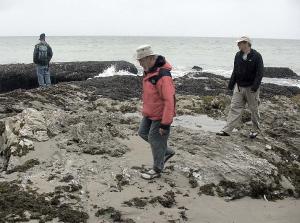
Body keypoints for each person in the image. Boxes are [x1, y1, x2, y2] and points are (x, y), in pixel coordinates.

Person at [136, 45, 176, 180]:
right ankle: (166, 151)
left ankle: (157, 169)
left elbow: (169, 101)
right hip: (149, 112)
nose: (139, 63)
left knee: (155, 139)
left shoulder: (163, 75)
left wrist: (165, 124)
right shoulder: (148, 71)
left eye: (141, 60)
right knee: (142, 132)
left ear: (149, 58)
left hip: (161, 115)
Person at [217, 36, 264, 138]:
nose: (237, 45)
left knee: (253, 109)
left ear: (246, 43)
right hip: (238, 87)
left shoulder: (257, 56)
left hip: (252, 88)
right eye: (238, 43)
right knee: (234, 108)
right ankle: (226, 130)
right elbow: (235, 71)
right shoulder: (238, 55)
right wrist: (231, 85)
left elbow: (260, 73)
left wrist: (255, 87)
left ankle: (255, 130)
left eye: (239, 43)